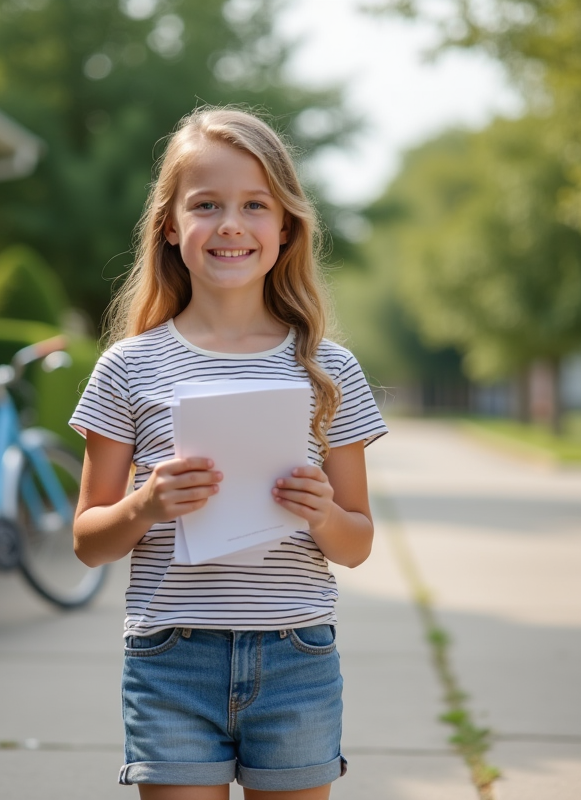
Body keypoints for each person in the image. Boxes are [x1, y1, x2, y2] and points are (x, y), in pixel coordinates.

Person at [69, 106, 388, 800]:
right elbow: (89, 541)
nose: (231, 225)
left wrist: (323, 513)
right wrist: (147, 505)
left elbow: (357, 543)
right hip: (170, 660)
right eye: (206, 205)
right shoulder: (127, 368)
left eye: (254, 205)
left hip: (296, 656)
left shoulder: (328, 371)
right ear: (170, 226)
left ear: (285, 227)